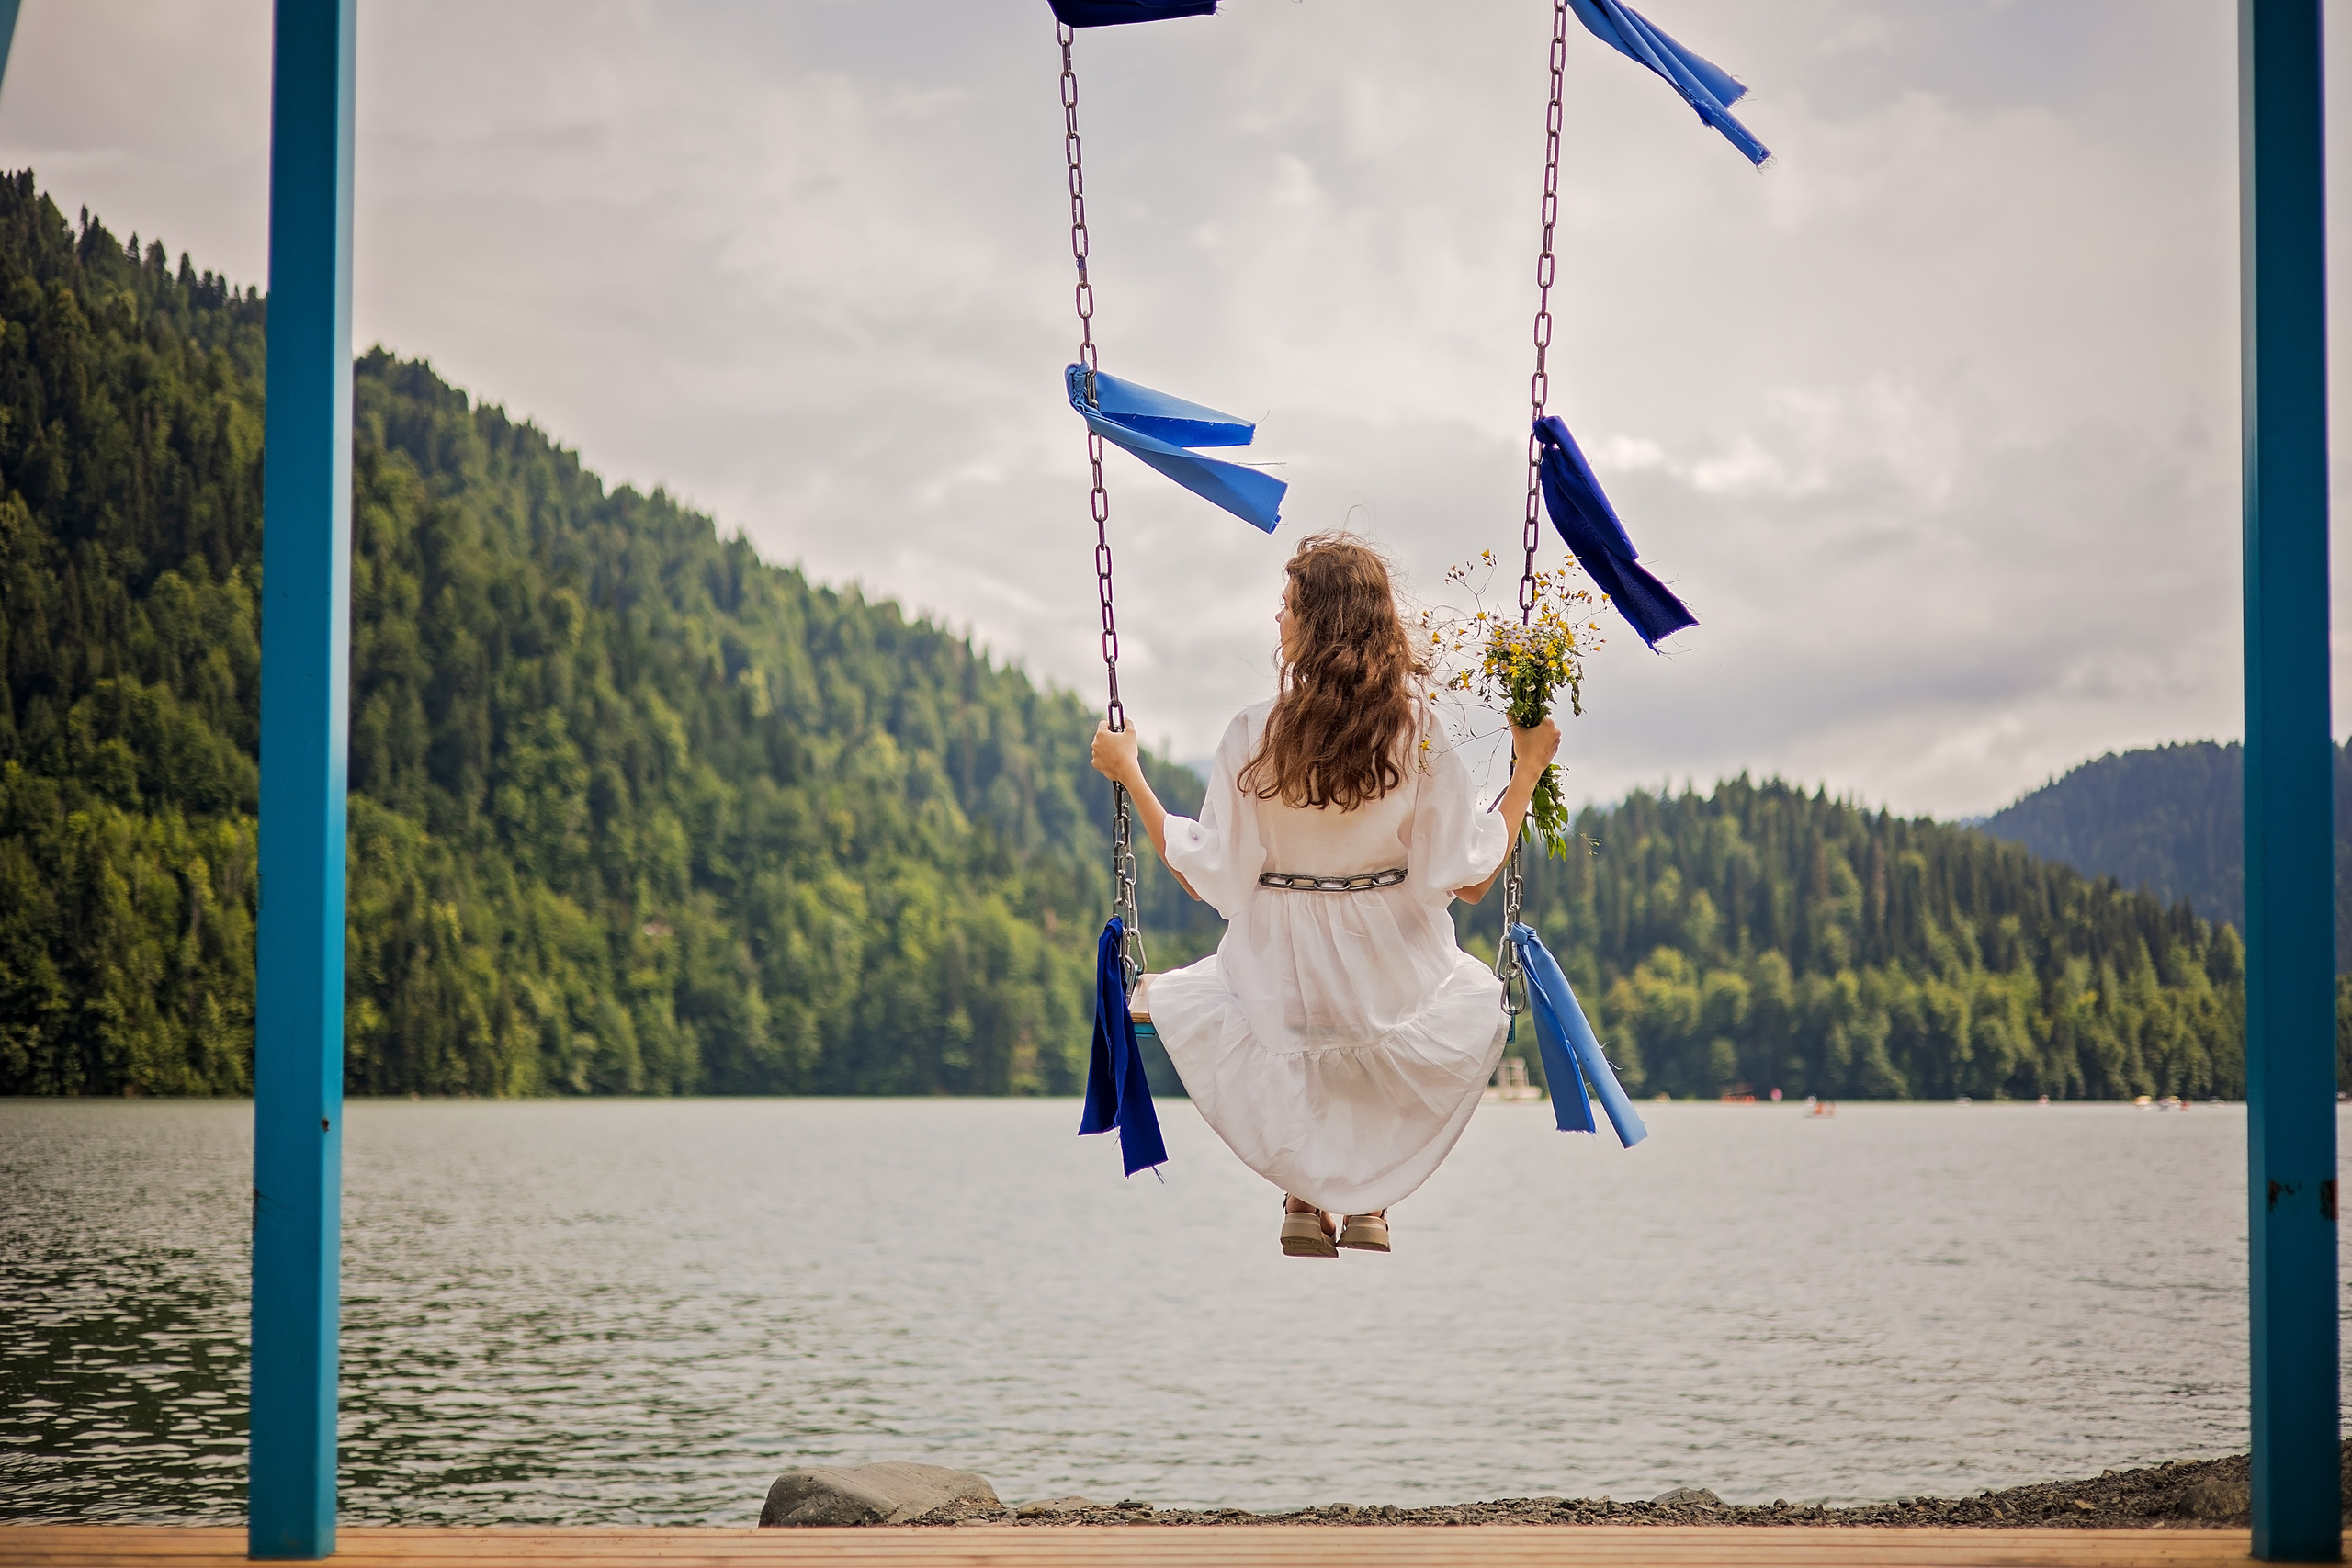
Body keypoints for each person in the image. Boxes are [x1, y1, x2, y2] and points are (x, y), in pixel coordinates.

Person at [1091, 532, 1560, 1258]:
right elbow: (1469, 880)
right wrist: (1525, 770)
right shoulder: (1419, 734)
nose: (1276, 621)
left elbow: (1207, 874)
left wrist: (1132, 776)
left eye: (1287, 606)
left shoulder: (1254, 733)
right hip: (1390, 972)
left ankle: (1307, 1198)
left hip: (1279, 975)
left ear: (1321, 622)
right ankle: (1370, 1197)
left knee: (1285, 1011)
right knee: (1431, 1001)